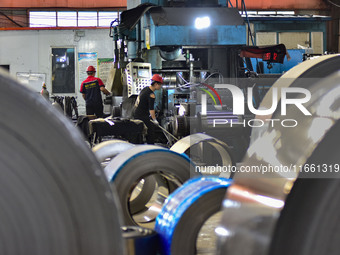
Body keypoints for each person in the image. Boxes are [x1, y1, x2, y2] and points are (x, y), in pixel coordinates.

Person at [133, 74, 163, 144]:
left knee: (140, 132)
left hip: (137, 114)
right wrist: (154, 119)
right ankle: (151, 146)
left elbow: (138, 101)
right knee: (151, 132)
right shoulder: (151, 95)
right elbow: (151, 109)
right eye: (160, 84)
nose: (161, 86)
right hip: (142, 116)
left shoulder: (145, 89)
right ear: (156, 84)